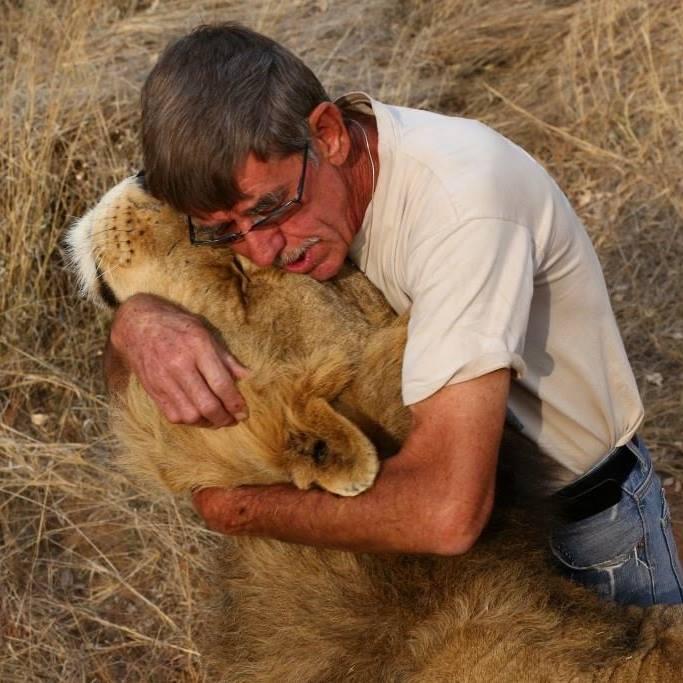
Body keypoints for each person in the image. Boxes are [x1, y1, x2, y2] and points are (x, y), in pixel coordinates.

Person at [107, 23, 683, 606]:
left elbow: (446, 514)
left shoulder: (466, 209)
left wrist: (238, 508)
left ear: (328, 133)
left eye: (271, 210)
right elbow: (127, 249)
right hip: (445, 533)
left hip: (580, 527)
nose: (262, 252)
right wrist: (137, 321)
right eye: (224, 233)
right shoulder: (289, 196)